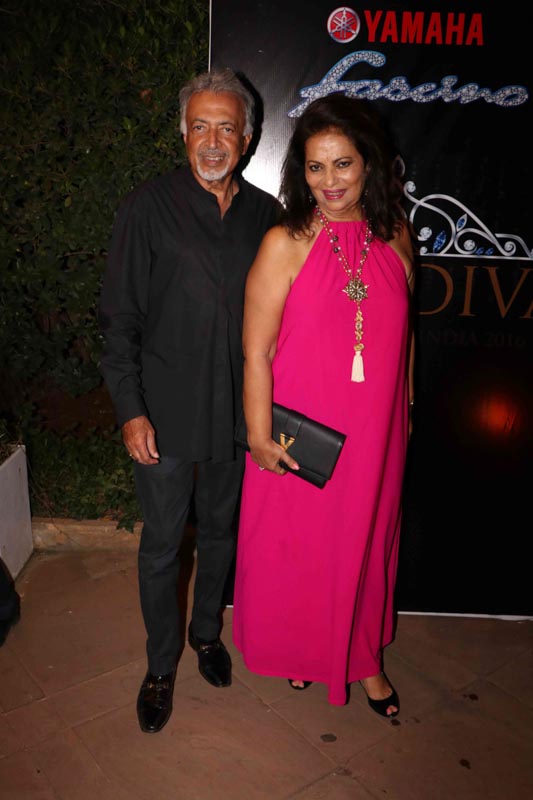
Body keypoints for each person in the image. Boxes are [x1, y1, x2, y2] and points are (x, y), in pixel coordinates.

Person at [98, 67, 281, 734]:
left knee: (223, 532)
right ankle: (159, 666)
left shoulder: (267, 215)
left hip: (237, 414)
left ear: (247, 138)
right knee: (162, 545)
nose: (211, 141)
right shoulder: (146, 207)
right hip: (165, 415)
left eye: (225, 128)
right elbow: (119, 320)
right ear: (182, 135)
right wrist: (130, 410)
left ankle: (206, 633)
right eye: (199, 127)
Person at [232, 92, 415, 713]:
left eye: (342, 164)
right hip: (304, 436)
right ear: (301, 171)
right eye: (315, 166)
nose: (329, 181)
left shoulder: (397, 236)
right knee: (303, 551)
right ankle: (305, 650)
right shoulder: (284, 243)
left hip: (376, 435)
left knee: (366, 546)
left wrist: (406, 413)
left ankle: (364, 660)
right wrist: (260, 436)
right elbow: (256, 351)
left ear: (368, 163)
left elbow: (406, 340)